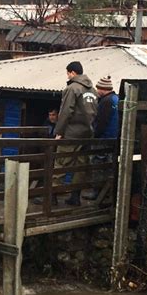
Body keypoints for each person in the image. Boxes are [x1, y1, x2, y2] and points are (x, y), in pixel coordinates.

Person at [54, 61, 98, 206]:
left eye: (67, 73)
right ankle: (75, 196)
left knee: (61, 163)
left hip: (71, 133)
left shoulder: (72, 88)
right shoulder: (92, 91)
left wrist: (59, 132)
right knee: (80, 166)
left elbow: (66, 112)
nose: (67, 76)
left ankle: (51, 197)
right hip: (86, 134)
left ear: (72, 72)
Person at [83, 75, 119, 200]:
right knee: (109, 166)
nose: (97, 91)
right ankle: (107, 192)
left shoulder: (106, 102)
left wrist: (94, 135)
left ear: (103, 89)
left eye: (98, 88)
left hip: (103, 139)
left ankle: (97, 192)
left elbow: (102, 122)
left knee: (98, 165)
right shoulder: (116, 99)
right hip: (114, 138)